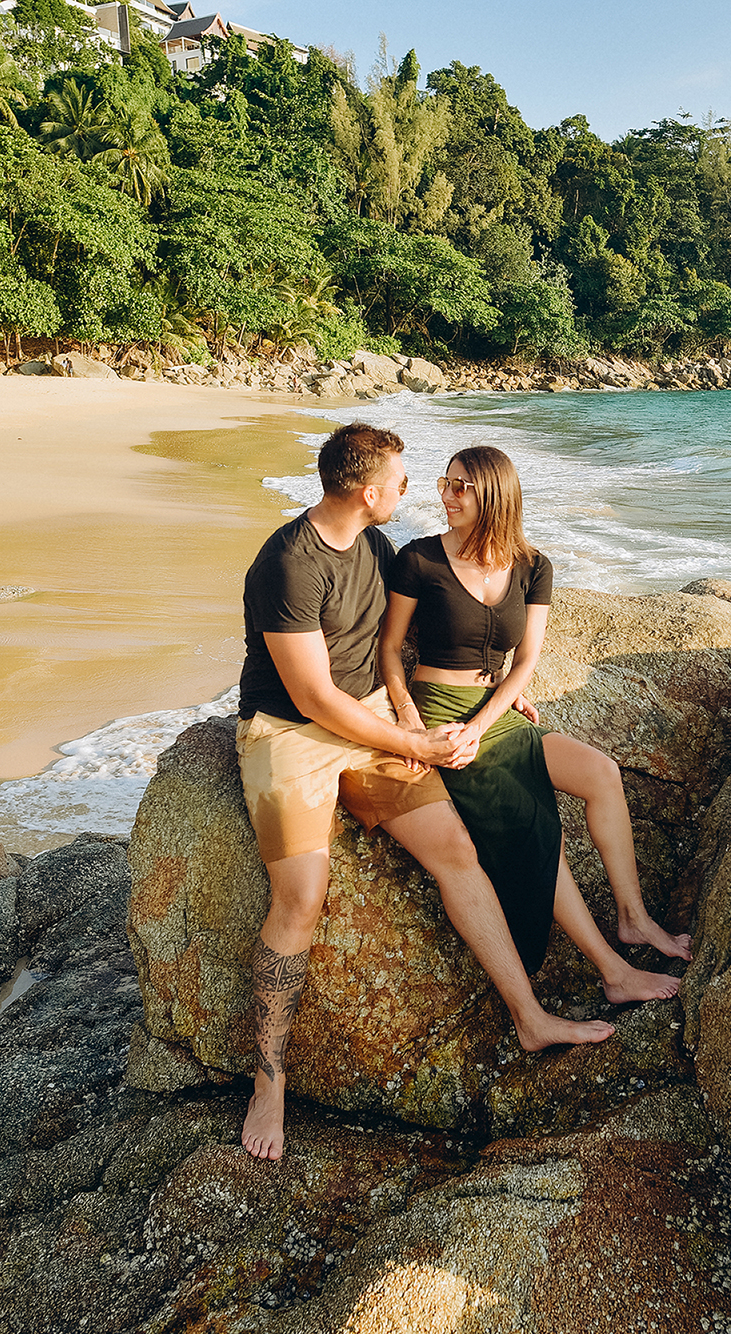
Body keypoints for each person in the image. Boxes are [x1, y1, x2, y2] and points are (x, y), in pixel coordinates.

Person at [234, 423, 613, 1163]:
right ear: (369, 492)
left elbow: (401, 640)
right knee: (301, 898)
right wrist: (411, 742)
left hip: (373, 718)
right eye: (405, 482)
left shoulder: (376, 548)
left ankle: (530, 1017)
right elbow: (312, 697)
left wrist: (495, 691)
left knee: (456, 851)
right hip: (287, 732)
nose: (414, 493)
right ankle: (268, 1078)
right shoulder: (289, 564)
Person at [378, 444, 693, 993]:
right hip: (440, 714)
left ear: (493, 495)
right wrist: (409, 718)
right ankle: (613, 972)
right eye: (444, 483)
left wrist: (490, 715)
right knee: (536, 828)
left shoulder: (533, 566)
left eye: (461, 487)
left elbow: (525, 663)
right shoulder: (419, 559)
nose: (446, 496)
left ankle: (633, 918)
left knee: (602, 774)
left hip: (495, 713)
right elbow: (389, 651)